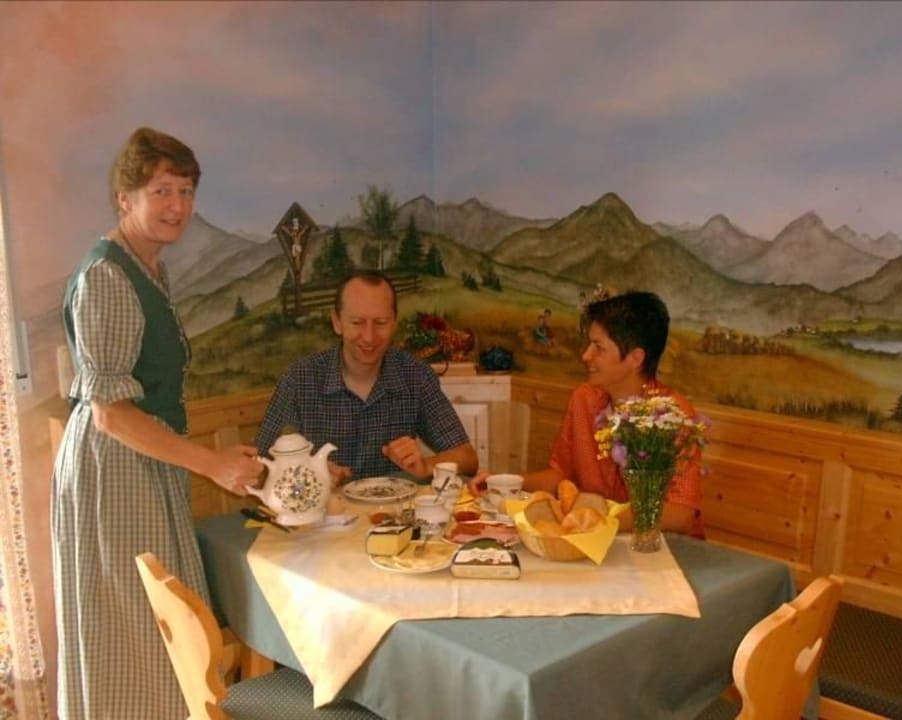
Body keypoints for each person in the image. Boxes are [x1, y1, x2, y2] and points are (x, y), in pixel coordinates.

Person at [52, 127, 264, 719]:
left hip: (143, 459)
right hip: (115, 466)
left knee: (157, 625)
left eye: (187, 191)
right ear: (125, 198)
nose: (177, 206)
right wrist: (213, 464)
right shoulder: (108, 276)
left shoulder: (147, 268)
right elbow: (110, 413)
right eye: (161, 191)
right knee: (134, 624)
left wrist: (206, 460)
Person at [472, 291, 703, 536]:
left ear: (635, 358)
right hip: (594, 537)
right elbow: (561, 475)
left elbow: (680, 513)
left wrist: (600, 519)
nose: (586, 355)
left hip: (656, 545)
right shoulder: (585, 399)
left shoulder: (672, 416)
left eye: (598, 348)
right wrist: (506, 482)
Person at [256, 270, 479, 482]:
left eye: (380, 323)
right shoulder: (300, 379)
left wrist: (427, 466)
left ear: (394, 323)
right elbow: (260, 467)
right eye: (357, 322)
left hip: (395, 509)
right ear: (337, 322)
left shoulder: (416, 375)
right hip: (324, 508)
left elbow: (467, 459)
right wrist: (309, 473)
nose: (369, 337)